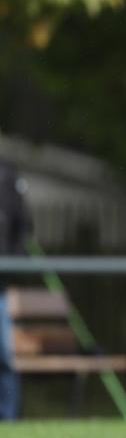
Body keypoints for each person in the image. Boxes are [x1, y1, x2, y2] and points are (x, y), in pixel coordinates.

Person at [0, 161, 31, 420]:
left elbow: (23, 224)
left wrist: (14, 259)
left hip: (0, 283)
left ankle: (8, 418)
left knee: (4, 355)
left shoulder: (7, 177)